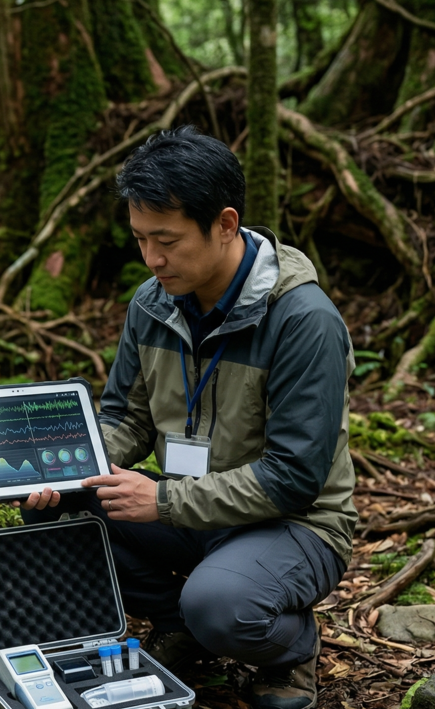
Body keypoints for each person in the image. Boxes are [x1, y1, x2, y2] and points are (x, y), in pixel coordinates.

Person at [19, 126, 355, 709]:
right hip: (191, 506)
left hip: (294, 523)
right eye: (141, 240)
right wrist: (66, 466)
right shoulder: (152, 303)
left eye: (167, 241)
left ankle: (290, 646)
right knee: (57, 514)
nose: (152, 259)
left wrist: (165, 502)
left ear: (225, 224)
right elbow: (126, 418)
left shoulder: (303, 319)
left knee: (220, 605)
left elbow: (294, 477)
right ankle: (180, 624)